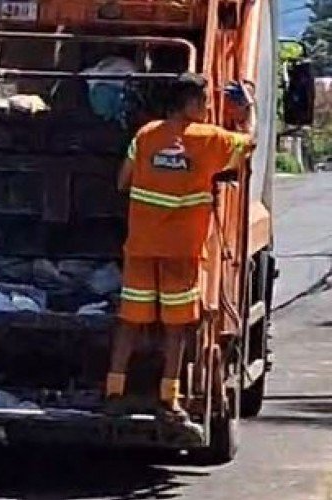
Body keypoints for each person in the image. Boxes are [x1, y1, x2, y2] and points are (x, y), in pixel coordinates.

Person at [105, 73, 255, 420]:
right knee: (176, 328)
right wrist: (248, 113)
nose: (206, 108)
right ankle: (168, 398)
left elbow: (122, 180)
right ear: (189, 104)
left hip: (142, 248)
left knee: (129, 322)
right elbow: (249, 143)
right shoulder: (208, 138)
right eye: (204, 102)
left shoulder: (146, 135)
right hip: (181, 253)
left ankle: (114, 392)